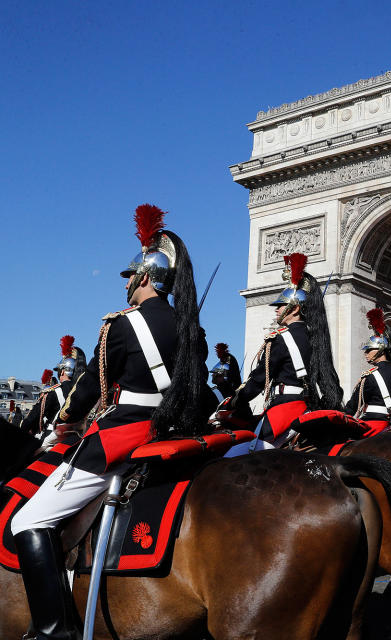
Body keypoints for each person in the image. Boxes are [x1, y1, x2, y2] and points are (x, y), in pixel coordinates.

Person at [10, 203, 207, 640]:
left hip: (125, 435)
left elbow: (88, 392)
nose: (126, 286)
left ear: (143, 277)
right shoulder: (192, 327)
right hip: (174, 430)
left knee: (26, 522)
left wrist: (64, 422)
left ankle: (52, 629)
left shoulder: (121, 326)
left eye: (129, 277)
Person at [226, 253, 341, 451]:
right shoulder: (316, 339)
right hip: (306, 407)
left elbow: (258, 379)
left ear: (295, 309)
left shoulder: (280, 338)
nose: (276, 310)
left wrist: (236, 400)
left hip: (285, 408)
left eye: (280, 305)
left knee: (236, 455)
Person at [344, 308, 391, 435]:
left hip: (372, 424)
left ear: (381, 350)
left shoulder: (370, 377)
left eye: (368, 350)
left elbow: (352, 407)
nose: (365, 354)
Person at [22, 337, 87, 446]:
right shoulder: (84, 390)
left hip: (53, 443)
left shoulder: (53, 392)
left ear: (62, 372)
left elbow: (31, 420)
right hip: (79, 442)